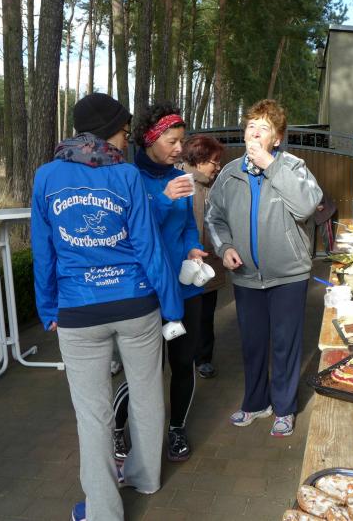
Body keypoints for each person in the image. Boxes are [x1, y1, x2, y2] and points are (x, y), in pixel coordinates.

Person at [30, 93, 184, 521]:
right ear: (108, 131)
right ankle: (145, 478)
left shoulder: (46, 176)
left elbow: (44, 251)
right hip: (136, 303)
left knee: (92, 415)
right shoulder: (127, 174)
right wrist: (172, 305)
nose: (125, 139)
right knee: (148, 395)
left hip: (78, 310)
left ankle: (102, 512)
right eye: (123, 131)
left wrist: (48, 309)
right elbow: (148, 246)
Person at [206, 99, 322, 437]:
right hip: (246, 277)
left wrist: (271, 165)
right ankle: (256, 402)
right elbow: (214, 217)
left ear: (277, 138)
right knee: (253, 344)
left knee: (286, 345)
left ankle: (284, 408)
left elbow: (306, 206)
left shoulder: (294, 167)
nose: (255, 133)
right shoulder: (230, 173)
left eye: (264, 128)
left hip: (289, 275)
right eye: (251, 126)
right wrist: (225, 247)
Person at [110, 134, 224, 463]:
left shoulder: (180, 177)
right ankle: (117, 427)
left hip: (185, 287)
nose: (179, 149)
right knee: (145, 371)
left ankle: (176, 428)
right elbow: (133, 235)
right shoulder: (129, 177)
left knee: (183, 363)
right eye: (172, 141)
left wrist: (192, 248)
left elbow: (188, 226)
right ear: (150, 139)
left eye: (181, 141)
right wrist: (163, 199)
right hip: (146, 290)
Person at [179, 135, 226, 378]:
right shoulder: (180, 184)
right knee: (184, 314)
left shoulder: (214, 187)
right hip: (186, 264)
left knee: (206, 315)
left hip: (210, 263)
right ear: (199, 160)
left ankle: (203, 358)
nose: (217, 167)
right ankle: (183, 359)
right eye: (214, 162)